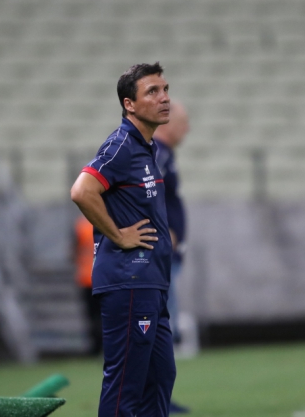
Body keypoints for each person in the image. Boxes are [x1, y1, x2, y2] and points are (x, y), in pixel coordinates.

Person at [70, 62, 176, 417]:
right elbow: (82, 191)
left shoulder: (145, 147)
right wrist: (118, 235)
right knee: (126, 387)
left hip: (151, 282)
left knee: (160, 378)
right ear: (129, 104)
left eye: (165, 89)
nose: (164, 98)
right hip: (130, 282)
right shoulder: (121, 145)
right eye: (152, 92)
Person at [153, 102, 191, 415]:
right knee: (160, 328)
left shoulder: (165, 155)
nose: (187, 129)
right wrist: (165, 232)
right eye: (184, 123)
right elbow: (148, 195)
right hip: (160, 256)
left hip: (167, 254)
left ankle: (161, 398)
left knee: (164, 328)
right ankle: (154, 399)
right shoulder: (158, 155)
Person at [74, 214, 102, 355]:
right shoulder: (106, 221)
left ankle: (95, 348)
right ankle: (103, 346)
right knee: (103, 315)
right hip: (103, 277)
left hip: (86, 278)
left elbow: (73, 251)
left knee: (92, 316)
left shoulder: (81, 225)